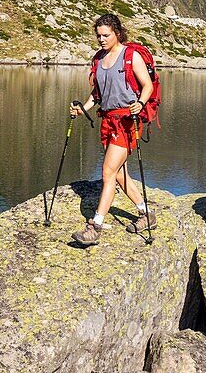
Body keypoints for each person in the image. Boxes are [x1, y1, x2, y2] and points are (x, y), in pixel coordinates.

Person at [69, 13, 156, 246]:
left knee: (108, 171)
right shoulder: (99, 59)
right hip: (108, 121)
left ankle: (95, 227)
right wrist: (82, 109)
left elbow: (147, 85)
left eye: (106, 35)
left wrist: (141, 103)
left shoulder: (131, 56)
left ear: (117, 32)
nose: (101, 39)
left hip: (128, 122)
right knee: (118, 173)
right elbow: (97, 94)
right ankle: (146, 213)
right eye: (98, 35)